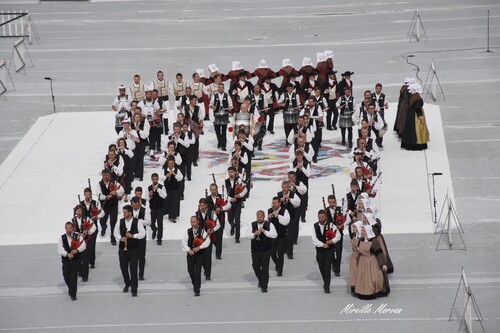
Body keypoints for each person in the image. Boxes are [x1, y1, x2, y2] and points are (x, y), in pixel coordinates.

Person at [114, 205, 146, 297]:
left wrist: (133, 236)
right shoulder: (120, 221)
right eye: (123, 212)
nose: (123, 214)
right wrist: (120, 238)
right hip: (122, 249)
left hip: (134, 249)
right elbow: (115, 232)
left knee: (133, 269)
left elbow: (142, 234)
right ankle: (127, 283)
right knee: (123, 268)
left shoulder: (137, 222)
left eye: (125, 212)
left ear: (130, 212)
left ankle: (134, 289)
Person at [351, 224, 389, 299]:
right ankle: (363, 292)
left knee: (373, 278)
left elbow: (379, 253)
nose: (362, 232)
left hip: (371, 262)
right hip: (362, 262)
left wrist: (383, 264)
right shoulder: (361, 240)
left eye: (363, 230)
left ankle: (371, 292)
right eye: (362, 230)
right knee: (363, 278)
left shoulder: (374, 241)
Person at [246, 210, 277, 293]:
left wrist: (265, 232)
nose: (259, 218)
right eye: (257, 217)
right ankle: (261, 279)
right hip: (255, 250)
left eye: (260, 217)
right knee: (255, 266)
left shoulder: (269, 224)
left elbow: (274, 235)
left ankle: (264, 286)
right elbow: (247, 235)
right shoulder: (252, 224)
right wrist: (254, 234)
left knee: (265, 268)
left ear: (264, 217)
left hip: (266, 250)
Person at [312, 210, 341, 293]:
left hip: (329, 251)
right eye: (319, 217)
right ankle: (326, 282)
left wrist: (332, 241)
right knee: (322, 267)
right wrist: (322, 244)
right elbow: (314, 239)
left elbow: (338, 236)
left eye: (322, 217)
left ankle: (326, 286)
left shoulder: (331, 225)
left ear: (325, 217)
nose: (321, 219)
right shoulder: (315, 226)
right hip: (320, 251)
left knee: (327, 268)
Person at [182, 216, 210, 296]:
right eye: (191, 222)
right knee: (190, 271)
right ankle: (195, 284)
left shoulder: (202, 231)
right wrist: (188, 250)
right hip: (190, 254)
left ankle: (197, 290)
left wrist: (199, 247)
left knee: (198, 272)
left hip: (199, 255)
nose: (193, 224)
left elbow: (207, 241)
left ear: (197, 222)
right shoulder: (187, 231)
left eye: (194, 222)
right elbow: (183, 242)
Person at [58, 222, 86, 301]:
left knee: (73, 276)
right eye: (67, 228)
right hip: (66, 260)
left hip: (76, 260)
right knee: (66, 275)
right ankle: (71, 288)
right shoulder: (62, 238)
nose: (68, 230)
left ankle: (73, 294)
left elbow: (83, 245)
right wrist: (67, 254)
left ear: (73, 228)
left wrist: (77, 250)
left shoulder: (77, 236)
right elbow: (60, 249)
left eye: (70, 228)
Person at [195, 198, 221, 281]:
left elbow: (218, 225)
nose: (201, 207)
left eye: (203, 205)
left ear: (206, 205)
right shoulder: (197, 214)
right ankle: (205, 269)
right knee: (202, 257)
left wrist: (212, 230)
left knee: (208, 256)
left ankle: (208, 274)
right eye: (200, 205)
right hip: (200, 238)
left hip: (209, 238)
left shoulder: (212, 213)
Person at [97, 169, 124, 245]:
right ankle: (103, 227)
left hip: (113, 206)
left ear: (109, 175)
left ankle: (112, 237)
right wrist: (105, 197)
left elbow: (122, 190)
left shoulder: (114, 182)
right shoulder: (99, 184)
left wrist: (115, 192)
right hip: (104, 206)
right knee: (102, 220)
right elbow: (98, 194)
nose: (105, 177)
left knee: (113, 222)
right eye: (104, 175)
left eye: (107, 175)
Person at [80, 187, 103, 269]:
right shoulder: (81, 204)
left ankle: (92, 261)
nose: (87, 196)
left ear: (91, 194)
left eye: (89, 194)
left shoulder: (95, 203)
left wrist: (96, 216)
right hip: (83, 228)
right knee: (84, 245)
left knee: (92, 245)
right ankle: (84, 261)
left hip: (93, 227)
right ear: (84, 195)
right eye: (86, 195)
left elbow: (102, 213)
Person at [71, 205, 96, 282]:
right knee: (77, 259)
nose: (79, 212)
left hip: (85, 242)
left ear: (82, 211)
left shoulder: (87, 218)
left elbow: (94, 227)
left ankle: (85, 276)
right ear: (75, 211)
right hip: (76, 243)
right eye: (77, 210)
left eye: (80, 210)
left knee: (85, 259)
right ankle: (80, 272)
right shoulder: (72, 220)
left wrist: (88, 232)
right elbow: (71, 231)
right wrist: (78, 234)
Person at [401, 83, 429, 151]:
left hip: (410, 115)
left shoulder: (410, 96)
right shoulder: (417, 98)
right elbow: (418, 108)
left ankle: (409, 144)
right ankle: (417, 144)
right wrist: (421, 117)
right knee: (417, 130)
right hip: (416, 116)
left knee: (409, 129)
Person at [277, 181, 301, 259]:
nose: (284, 189)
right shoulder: (279, 194)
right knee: (282, 234)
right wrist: (280, 201)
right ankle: (283, 249)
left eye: (286, 187)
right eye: (283, 187)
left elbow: (298, 203)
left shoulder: (293, 194)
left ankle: (290, 253)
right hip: (282, 217)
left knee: (290, 236)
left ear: (289, 187)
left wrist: (289, 199)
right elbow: (274, 204)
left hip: (291, 218)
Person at [268, 197, 290, 276]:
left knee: (280, 253)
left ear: (279, 203)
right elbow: (267, 223)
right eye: (273, 203)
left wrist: (278, 216)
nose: (274, 205)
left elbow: (286, 222)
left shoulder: (284, 211)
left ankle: (280, 270)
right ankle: (278, 264)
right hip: (272, 236)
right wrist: (268, 218)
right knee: (272, 253)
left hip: (282, 236)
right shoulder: (269, 210)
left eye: (275, 203)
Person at [324, 195, 346, 276]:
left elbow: (345, 219)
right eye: (330, 202)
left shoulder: (340, 209)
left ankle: (337, 270)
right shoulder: (325, 210)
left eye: (333, 202)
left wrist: (342, 225)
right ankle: (334, 263)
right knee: (331, 251)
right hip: (330, 235)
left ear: (335, 201)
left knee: (339, 252)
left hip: (339, 233)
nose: (331, 204)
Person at [130, 196, 151, 281]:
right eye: (133, 205)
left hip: (141, 236)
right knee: (131, 256)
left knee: (141, 256)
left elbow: (149, 222)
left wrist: (139, 221)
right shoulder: (129, 210)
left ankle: (141, 274)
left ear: (139, 203)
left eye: (136, 205)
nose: (135, 207)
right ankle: (132, 273)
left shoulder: (144, 210)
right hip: (131, 236)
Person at [225, 166, 247, 243]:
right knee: (229, 219)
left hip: (238, 203)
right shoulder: (226, 181)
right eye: (229, 172)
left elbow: (245, 189)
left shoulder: (239, 180)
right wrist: (231, 199)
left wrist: (239, 196)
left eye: (231, 172)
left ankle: (237, 237)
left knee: (237, 220)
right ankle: (232, 225)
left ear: (235, 172)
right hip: (229, 203)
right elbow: (225, 193)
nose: (230, 173)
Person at [209, 82, 233, 151]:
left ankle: (223, 145)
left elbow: (231, 105)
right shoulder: (215, 96)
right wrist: (212, 106)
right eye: (219, 87)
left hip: (224, 115)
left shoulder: (227, 96)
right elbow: (210, 104)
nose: (221, 89)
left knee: (224, 131)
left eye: (222, 87)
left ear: (224, 88)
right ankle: (219, 142)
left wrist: (229, 108)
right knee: (217, 130)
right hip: (216, 115)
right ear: (218, 88)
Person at [163, 156, 183, 223]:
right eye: (169, 163)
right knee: (168, 201)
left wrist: (175, 175)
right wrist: (166, 176)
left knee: (174, 202)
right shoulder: (165, 169)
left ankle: (173, 216)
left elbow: (181, 178)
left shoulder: (177, 170)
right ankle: (167, 213)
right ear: (168, 163)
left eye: (172, 164)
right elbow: (161, 178)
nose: (171, 165)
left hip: (175, 188)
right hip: (167, 188)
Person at [130, 112, 150, 181]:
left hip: (142, 143)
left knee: (140, 159)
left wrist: (139, 130)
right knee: (134, 158)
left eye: (138, 117)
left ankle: (140, 175)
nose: (137, 119)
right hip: (134, 143)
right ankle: (135, 173)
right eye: (136, 117)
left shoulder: (143, 124)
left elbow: (145, 135)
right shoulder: (131, 124)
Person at [148, 173, 166, 244]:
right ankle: (154, 229)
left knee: (160, 223)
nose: (155, 180)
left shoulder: (161, 187)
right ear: (151, 179)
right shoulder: (149, 188)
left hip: (160, 208)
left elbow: (164, 196)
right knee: (152, 223)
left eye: (156, 179)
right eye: (153, 179)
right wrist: (149, 195)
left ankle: (159, 239)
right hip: (152, 208)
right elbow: (146, 197)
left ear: (158, 179)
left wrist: (158, 190)